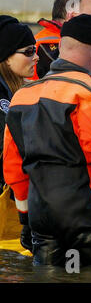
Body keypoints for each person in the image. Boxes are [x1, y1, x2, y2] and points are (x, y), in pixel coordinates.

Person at [2, 14, 91, 268]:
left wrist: (25, 220)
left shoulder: (21, 97)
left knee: (49, 274)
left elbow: (14, 170)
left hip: (42, 221)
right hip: (84, 214)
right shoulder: (87, 89)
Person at [0, 15, 38, 187]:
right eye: (29, 52)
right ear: (6, 57)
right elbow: (10, 143)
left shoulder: (23, 89)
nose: (36, 57)